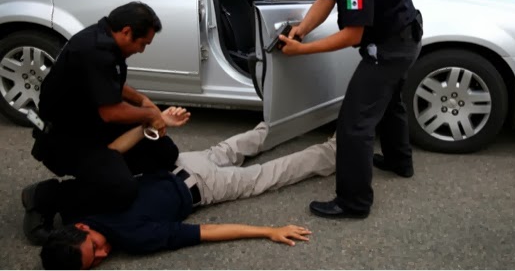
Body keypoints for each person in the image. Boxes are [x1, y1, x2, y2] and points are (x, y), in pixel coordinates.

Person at [40, 107, 337, 269]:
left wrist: (266, 231)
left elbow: (205, 232)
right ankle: (326, 131)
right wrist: (269, 230)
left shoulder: (119, 229)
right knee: (261, 156)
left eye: (96, 247)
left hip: (191, 172)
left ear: (79, 226)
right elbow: (203, 232)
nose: (105, 253)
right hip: (194, 176)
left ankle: (320, 124)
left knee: (261, 156)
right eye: (96, 262)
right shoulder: (118, 231)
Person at [276, 0, 422, 219]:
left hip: (391, 46)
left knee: (354, 124)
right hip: (401, 36)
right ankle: (400, 162)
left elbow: (352, 34)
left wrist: (303, 50)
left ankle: (353, 202)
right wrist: (301, 29)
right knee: (390, 102)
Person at [23, 2, 178, 245]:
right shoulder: (93, 50)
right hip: (65, 138)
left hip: (91, 123)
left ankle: (106, 181)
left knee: (163, 150)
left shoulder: (105, 40)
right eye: (142, 44)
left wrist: (143, 100)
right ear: (126, 31)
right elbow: (111, 113)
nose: (142, 50)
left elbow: (107, 83)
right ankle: (44, 197)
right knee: (122, 190)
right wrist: (150, 115)